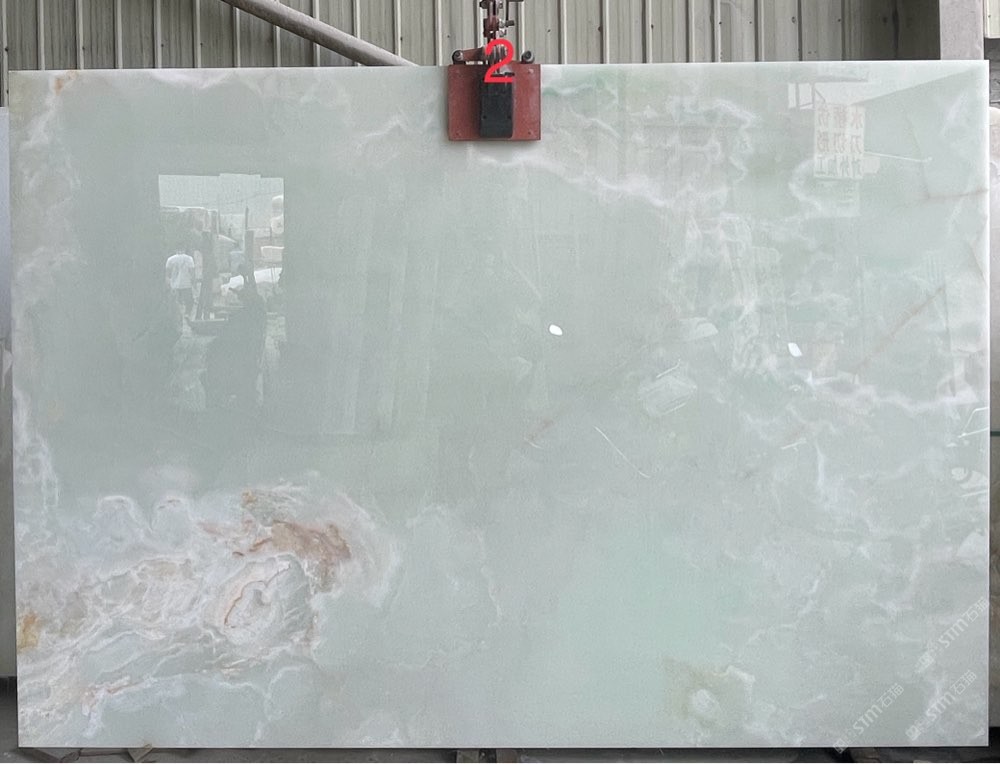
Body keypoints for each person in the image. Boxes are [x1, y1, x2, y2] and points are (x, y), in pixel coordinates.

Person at [165, 249, 196, 318]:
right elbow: (192, 273)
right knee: (189, 302)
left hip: (174, 285)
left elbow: (167, 275)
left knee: (177, 303)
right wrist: (194, 285)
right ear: (184, 249)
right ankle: (186, 315)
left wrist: (168, 285)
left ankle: (178, 316)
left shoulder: (170, 259)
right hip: (186, 284)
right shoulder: (189, 259)